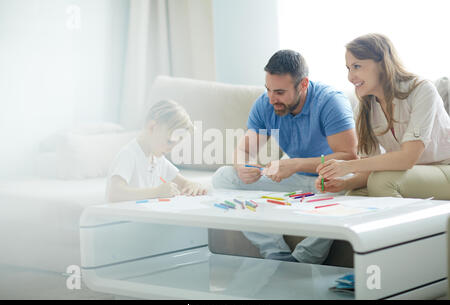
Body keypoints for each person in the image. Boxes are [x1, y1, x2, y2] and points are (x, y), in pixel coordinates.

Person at [212, 49, 358, 263]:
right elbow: (243, 151)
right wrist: (244, 166)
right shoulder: (265, 104)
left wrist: (295, 164)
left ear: (303, 84)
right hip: (295, 181)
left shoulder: (330, 102)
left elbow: (348, 157)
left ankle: (303, 259)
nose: (272, 98)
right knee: (224, 177)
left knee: (345, 181)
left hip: (327, 180)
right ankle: (275, 251)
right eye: (268, 89)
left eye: (279, 92)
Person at [316, 33, 450, 200]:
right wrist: (343, 184)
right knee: (355, 194)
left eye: (357, 66)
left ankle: (407, 226)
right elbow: (369, 171)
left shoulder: (421, 90)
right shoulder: (364, 108)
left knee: (381, 181)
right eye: (348, 68)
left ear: (382, 63)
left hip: (444, 168)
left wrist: (348, 166)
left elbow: (408, 158)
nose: (350, 77)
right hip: (407, 175)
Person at [106, 100, 208, 202]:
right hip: (121, 217)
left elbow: (184, 183)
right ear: (152, 127)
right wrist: (156, 192)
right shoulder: (129, 155)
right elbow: (115, 193)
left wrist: (193, 185)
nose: (171, 149)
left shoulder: (157, 159)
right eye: (169, 142)